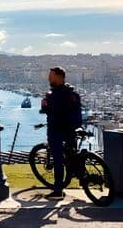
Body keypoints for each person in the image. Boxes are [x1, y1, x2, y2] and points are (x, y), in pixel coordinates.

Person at [40, 66, 82, 200]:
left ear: (59, 77)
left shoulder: (55, 95)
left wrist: (45, 106)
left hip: (56, 129)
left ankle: (58, 189)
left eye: (51, 76)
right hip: (71, 127)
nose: (48, 78)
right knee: (71, 155)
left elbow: (52, 111)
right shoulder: (71, 93)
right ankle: (79, 177)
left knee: (58, 159)